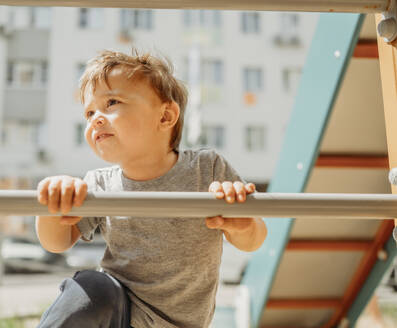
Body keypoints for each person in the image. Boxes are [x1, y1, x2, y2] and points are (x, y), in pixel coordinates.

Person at [35, 50, 268, 328]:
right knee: (90, 286)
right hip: (119, 315)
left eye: (112, 102)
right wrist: (51, 205)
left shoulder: (207, 170)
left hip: (182, 323)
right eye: (89, 112)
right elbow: (57, 242)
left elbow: (254, 239)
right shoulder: (99, 183)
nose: (95, 118)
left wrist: (242, 225)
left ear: (165, 116)